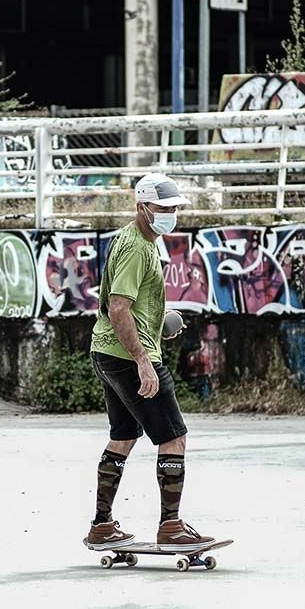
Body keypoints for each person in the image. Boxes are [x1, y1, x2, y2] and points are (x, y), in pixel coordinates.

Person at [84, 173, 214, 552]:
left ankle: (102, 526)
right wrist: (143, 359)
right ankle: (171, 526)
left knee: (123, 436)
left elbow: (128, 304)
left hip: (107, 352)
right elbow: (118, 307)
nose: (170, 214)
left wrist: (159, 322)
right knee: (173, 437)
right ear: (141, 207)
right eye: (163, 208)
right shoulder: (137, 248)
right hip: (129, 358)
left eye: (174, 208)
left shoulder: (134, 239)